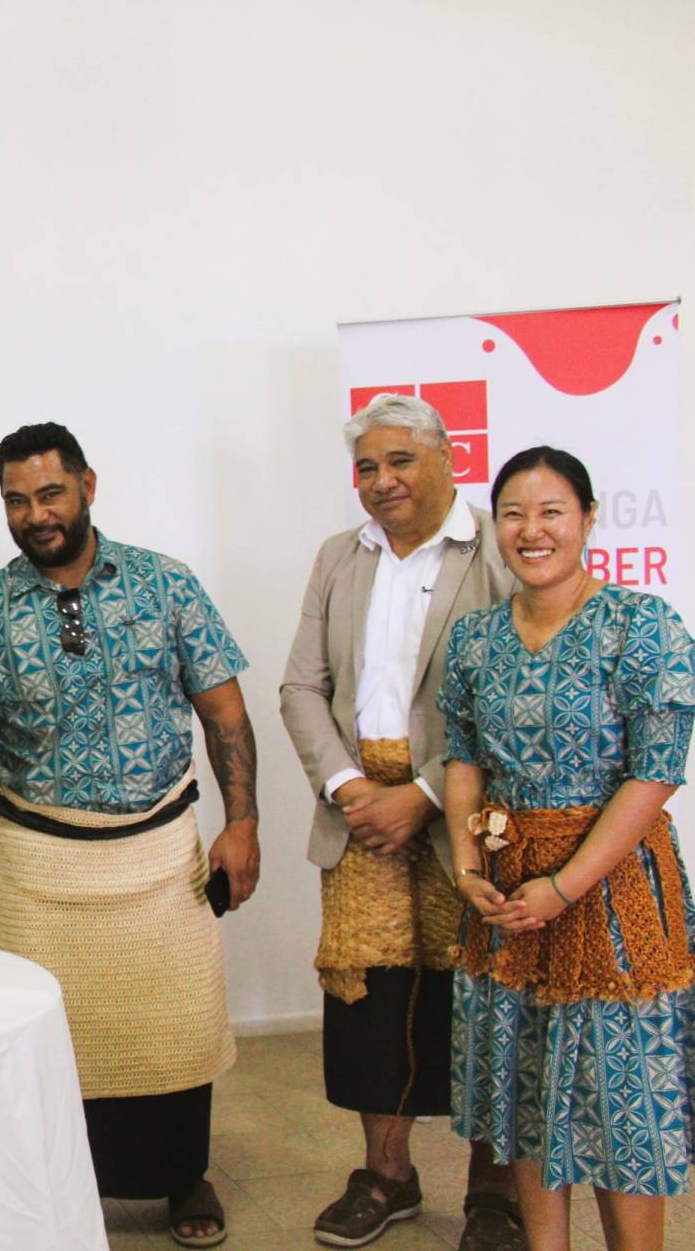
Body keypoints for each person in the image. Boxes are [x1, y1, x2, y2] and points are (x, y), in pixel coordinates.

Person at [0, 421, 261, 1248]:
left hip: (158, 851)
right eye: (16, 500)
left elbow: (224, 711)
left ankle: (180, 1175)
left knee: (170, 1031)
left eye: (50, 493)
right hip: (39, 862)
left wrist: (241, 821)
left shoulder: (165, 585)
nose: (35, 513)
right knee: (37, 1035)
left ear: (88, 485)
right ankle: (46, 1184)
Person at [280, 393, 523, 1250]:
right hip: (357, 815)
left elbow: (508, 691)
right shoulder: (338, 556)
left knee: (479, 993)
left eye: (398, 461)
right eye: (365, 468)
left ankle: (494, 1194)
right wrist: (349, 787)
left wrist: (419, 794)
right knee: (368, 998)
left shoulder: (497, 546)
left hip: (467, 807)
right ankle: (386, 1174)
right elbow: (300, 686)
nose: (380, 482)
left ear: (446, 456)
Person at [440, 446, 695, 1251]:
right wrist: (468, 863)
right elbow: (464, 761)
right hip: (509, 899)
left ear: (587, 518)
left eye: (551, 510)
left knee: (624, 1106)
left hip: (613, 893)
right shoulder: (475, 638)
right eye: (512, 512)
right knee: (524, 1098)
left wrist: (565, 883)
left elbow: (653, 774)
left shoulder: (640, 623)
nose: (531, 529)